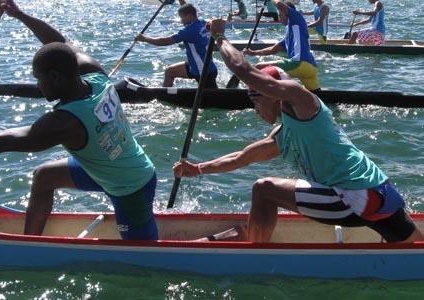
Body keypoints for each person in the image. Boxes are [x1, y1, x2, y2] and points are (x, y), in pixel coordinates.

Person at [0, 0, 158, 240]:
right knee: (44, 177)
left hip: (130, 188)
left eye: (39, 78)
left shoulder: (64, 123)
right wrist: (19, 14)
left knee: (146, 255)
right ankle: (30, 243)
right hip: (114, 166)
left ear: (55, 77)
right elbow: (60, 43)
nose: (38, 85)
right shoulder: (95, 75)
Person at [173, 18, 424, 244]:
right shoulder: (283, 135)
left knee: (264, 189)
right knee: (415, 250)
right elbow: (240, 158)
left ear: (273, 95)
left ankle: (254, 250)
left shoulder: (302, 101)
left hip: (352, 197)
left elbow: (243, 69)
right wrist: (198, 169)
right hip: (378, 191)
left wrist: (219, 37)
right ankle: (251, 234)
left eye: (256, 102)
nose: (256, 111)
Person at [135, 3, 218, 88]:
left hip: (203, 72)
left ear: (189, 16)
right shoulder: (204, 23)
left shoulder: (189, 31)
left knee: (214, 98)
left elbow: (165, 41)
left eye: (182, 17)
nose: (181, 20)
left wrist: (145, 39)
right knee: (170, 71)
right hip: (203, 67)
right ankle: (165, 95)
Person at [243, 0, 320, 92]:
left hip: (299, 63)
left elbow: (279, 4)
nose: (279, 18)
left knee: (259, 67)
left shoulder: (296, 18)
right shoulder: (291, 30)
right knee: (316, 94)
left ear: (286, 13)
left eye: (280, 14)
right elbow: (273, 49)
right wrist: (253, 53)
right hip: (311, 68)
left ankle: (254, 93)